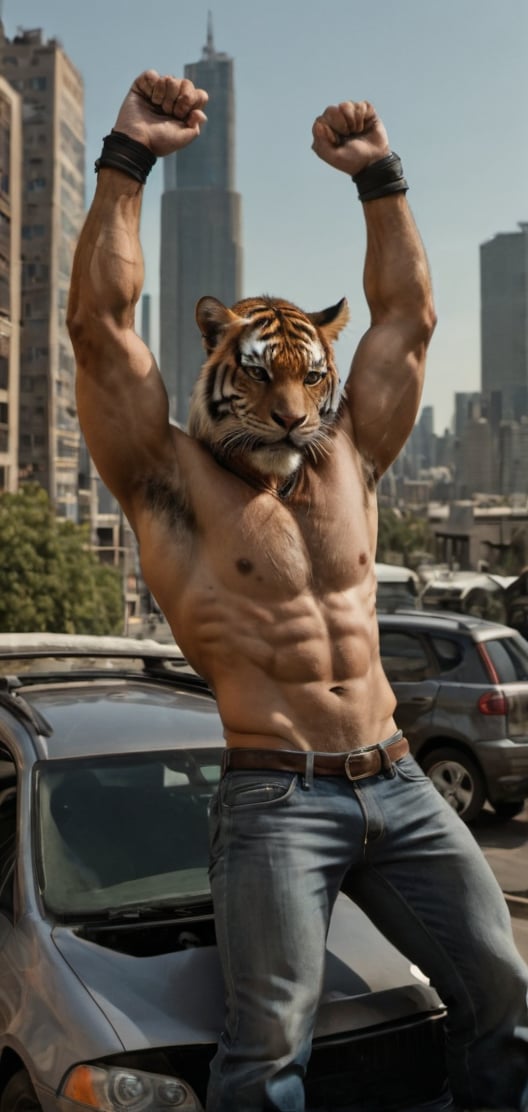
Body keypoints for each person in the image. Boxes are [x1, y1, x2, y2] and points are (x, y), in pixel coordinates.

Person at [67, 70, 528, 1112]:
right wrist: (130, 156)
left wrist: (380, 177)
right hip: (277, 794)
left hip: (403, 777)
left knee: (504, 992)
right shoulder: (169, 477)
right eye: (264, 377)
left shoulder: (350, 452)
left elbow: (407, 316)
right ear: (221, 367)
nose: (287, 405)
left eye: (305, 378)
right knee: (268, 1047)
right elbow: (100, 326)